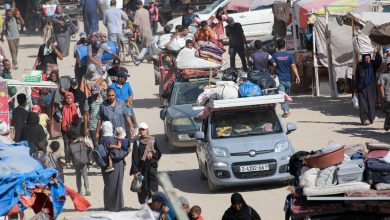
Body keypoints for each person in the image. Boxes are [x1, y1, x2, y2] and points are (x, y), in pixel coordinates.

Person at [130, 122, 162, 204]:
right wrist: (135, 171)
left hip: (151, 169)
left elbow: (159, 153)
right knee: (142, 189)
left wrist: (152, 154)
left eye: (143, 129)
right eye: (140, 130)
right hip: (141, 170)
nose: (141, 131)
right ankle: (145, 207)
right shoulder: (137, 141)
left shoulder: (154, 140)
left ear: (147, 130)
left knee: (153, 188)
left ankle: (155, 206)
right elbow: (134, 157)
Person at [100, 121, 127, 211]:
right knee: (115, 185)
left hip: (105, 166)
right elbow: (116, 154)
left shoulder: (102, 139)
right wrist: (126, 152)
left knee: (108, 185)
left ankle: (108, 205)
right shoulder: (110, 140)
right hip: (115, 166)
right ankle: (115, 206)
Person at [272, 39, 300, 118]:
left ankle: (286, 111)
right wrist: (297, 76)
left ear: (277, 46)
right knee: (286, 95)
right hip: (288, 79)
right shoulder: (289, 55)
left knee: (283, 96)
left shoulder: (274, 55)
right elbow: (293, 66)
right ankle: (286, 110)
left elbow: (272, 66)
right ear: (285, 45)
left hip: (280, 80)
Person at [355, 52, 382, 125]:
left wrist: (377, 53)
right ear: (363, 59)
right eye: (366, 58)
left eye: (368, 58)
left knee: (371, 103)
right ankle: (365, 119)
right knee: (363, 104)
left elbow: (379, 62)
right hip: (361, 87)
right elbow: (356, 77)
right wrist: (355, 88)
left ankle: (371, 118)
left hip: (371, 87)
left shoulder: (373, 64)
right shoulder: (360, 65)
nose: (367, 60)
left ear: (370, 58)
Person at [68, 129, 91, 196]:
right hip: (83, 161)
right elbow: (89, 148)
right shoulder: (83, 141)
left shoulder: (71, 144)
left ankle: (80, 190)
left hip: (76, 162)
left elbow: (69, 154)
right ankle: (87, 189)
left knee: (78, 176)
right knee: (85, 175)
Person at [61, 92, 80, 165]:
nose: (68, 100)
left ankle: (74, 159)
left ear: (73, 99)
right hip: (65, 128)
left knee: (73, 144)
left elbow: (78, 118)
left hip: (73, 128)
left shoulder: (75, 107)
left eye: (70, 98)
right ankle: (67, 160)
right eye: (67, 98)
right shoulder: (63, 107)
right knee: (66, 144)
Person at [379, 57, 390, 130]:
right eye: (389, 64)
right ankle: (387, 124)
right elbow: (381, 86)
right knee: (389, 111)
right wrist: (383, 96)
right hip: (388, 95)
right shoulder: (383, 74)